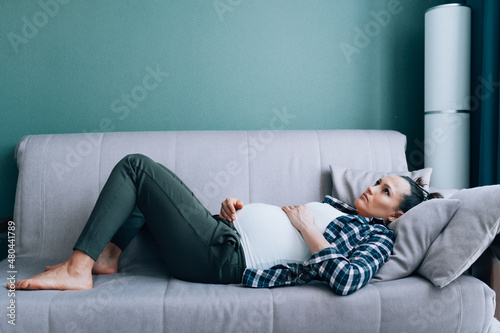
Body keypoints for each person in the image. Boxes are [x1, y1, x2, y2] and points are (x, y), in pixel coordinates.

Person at [11, 154, 442, 295]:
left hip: (224, 258)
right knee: (146, 191)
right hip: (224, 235)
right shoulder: (343, 210)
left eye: (385, 193)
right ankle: (106, 255)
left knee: (136, 168)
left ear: (397, 215)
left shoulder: (376, 237)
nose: (372, 190)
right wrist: (229, 213)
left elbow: (347, 280)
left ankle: (78, 268)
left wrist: (309, 228)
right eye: (378, 183)